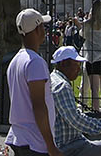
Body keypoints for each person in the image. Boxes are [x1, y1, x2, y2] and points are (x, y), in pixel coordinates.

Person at [49, 48, 101, 156]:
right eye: (76, 64)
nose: (79, 69)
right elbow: (75, 119)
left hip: (69, 141)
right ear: (64, 64)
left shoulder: (53, 79)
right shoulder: (61, 86)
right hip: (69, 146)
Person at [6, 9, 60, 156]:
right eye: (43, 26)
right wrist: (50, 145)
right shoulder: (35, 62)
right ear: (37, 29)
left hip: (19, 136)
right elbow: (39, 106)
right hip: (35, 142)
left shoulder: (15, 61)